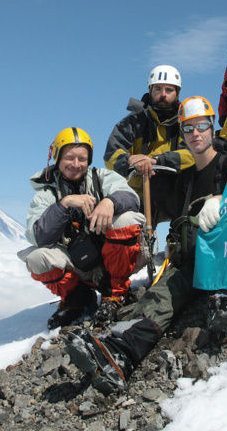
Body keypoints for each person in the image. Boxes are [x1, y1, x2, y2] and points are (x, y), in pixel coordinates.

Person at [65, 97, 227, 394]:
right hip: (190, 260)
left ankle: (226, 300)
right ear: (181, 134)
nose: (195, 134)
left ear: (213, 128)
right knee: (159, 299)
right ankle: (121, 355)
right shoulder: (182, 178)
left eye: (201, 126)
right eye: (188, 129)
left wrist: (225, 200)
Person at [19, 127, 146, 329]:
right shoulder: (47, 194)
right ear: (57, 158)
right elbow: (38, 235)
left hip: (114, 260)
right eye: (69, 158)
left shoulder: (101, 178)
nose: (76, 165)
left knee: (127, 220)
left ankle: (115, 295)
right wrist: (65, 204)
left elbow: (131, 197)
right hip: (77, 265)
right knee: (36, 258)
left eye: (82, 159)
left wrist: (110, 202)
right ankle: (78, 299)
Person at [104, 65, 195, 225]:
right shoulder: (133, 122)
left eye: (169, 90)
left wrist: (156, 161)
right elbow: (111, 154)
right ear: (150, 90)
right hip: (138, 193)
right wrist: (130, 160)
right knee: (122, 225)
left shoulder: (186, 122)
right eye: (158, 89)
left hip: (176, 192)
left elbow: (193, 153)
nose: (163, 95)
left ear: (178, 93)